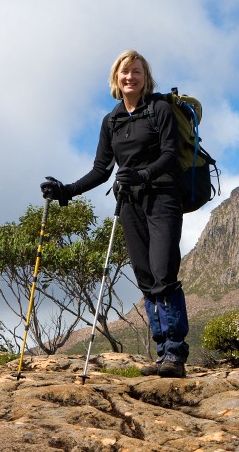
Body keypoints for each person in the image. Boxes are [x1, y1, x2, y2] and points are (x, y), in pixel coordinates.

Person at [40, 50, 189, 378]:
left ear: (145, 77)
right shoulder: (112, 120)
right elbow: (100, 170)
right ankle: (162, 351)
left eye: (136, 72)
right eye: (125, 72)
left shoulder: (160, 110)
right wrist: (66, 191)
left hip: (163, 198)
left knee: (164, 273)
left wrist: (142, 175)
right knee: (146, 276)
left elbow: (169, 154)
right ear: (116, 78)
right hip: (129, 204)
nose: (130, 77)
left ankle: (175, 355)